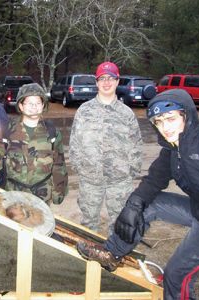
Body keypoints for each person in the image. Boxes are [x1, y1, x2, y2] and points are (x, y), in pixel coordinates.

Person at [76, 89, 199, 300]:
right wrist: (133, 206)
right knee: (149, 203)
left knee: (175, 275)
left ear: (187, 116)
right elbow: (153, 181)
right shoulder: (172, 151)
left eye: (171, 119)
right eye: (159, 122)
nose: (165, 128)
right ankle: (112, 253)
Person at [69, 61, 142, 232]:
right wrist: (80, 167)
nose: (106, 83)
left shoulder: (126, 113)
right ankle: (88, 256)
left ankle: (114, 255)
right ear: (96, 82)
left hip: (120, 181)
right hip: (90, 179)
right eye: (102, 79)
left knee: (119, 225)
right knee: (88, 224)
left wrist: (131, 171)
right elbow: (74, 142)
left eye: (111, 78)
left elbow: (136, 144)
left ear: (117, 82)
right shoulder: (84, 111)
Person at [0, 83, 68, 205]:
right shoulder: (6, 129)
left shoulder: (52, 132)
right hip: (13, 192)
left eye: (38, 103)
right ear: (20, 105)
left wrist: (59, 191)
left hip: (42, 194)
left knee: (40, 222)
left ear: (43, 106)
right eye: (29, 103)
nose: (34, 107)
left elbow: (59, 164)